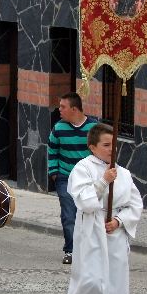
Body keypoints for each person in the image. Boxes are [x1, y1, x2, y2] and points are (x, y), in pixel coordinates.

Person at [62, 123, 143, 294]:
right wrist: (104, 181)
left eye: (113, 145)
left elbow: (135, 204)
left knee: (114, 283)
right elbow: (83, 200)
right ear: (93, 147)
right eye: (106, 145)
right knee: (93, 280)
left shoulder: (123, 173)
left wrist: (119, 221)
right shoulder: (83, 168)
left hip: (114, 231)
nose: (111, 149)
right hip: (92, 228)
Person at [48, 92, 99, 265]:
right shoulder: (59, 128)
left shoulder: (93, 128)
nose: (59, 109)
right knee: (69, 216)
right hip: (65, 178)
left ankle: (90, 249)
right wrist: (55, 173)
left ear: (74, 109)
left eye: (63, 106)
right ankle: (70, 250)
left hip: (89, 180)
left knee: (90, 215)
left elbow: (101, 152)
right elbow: (52, 151)